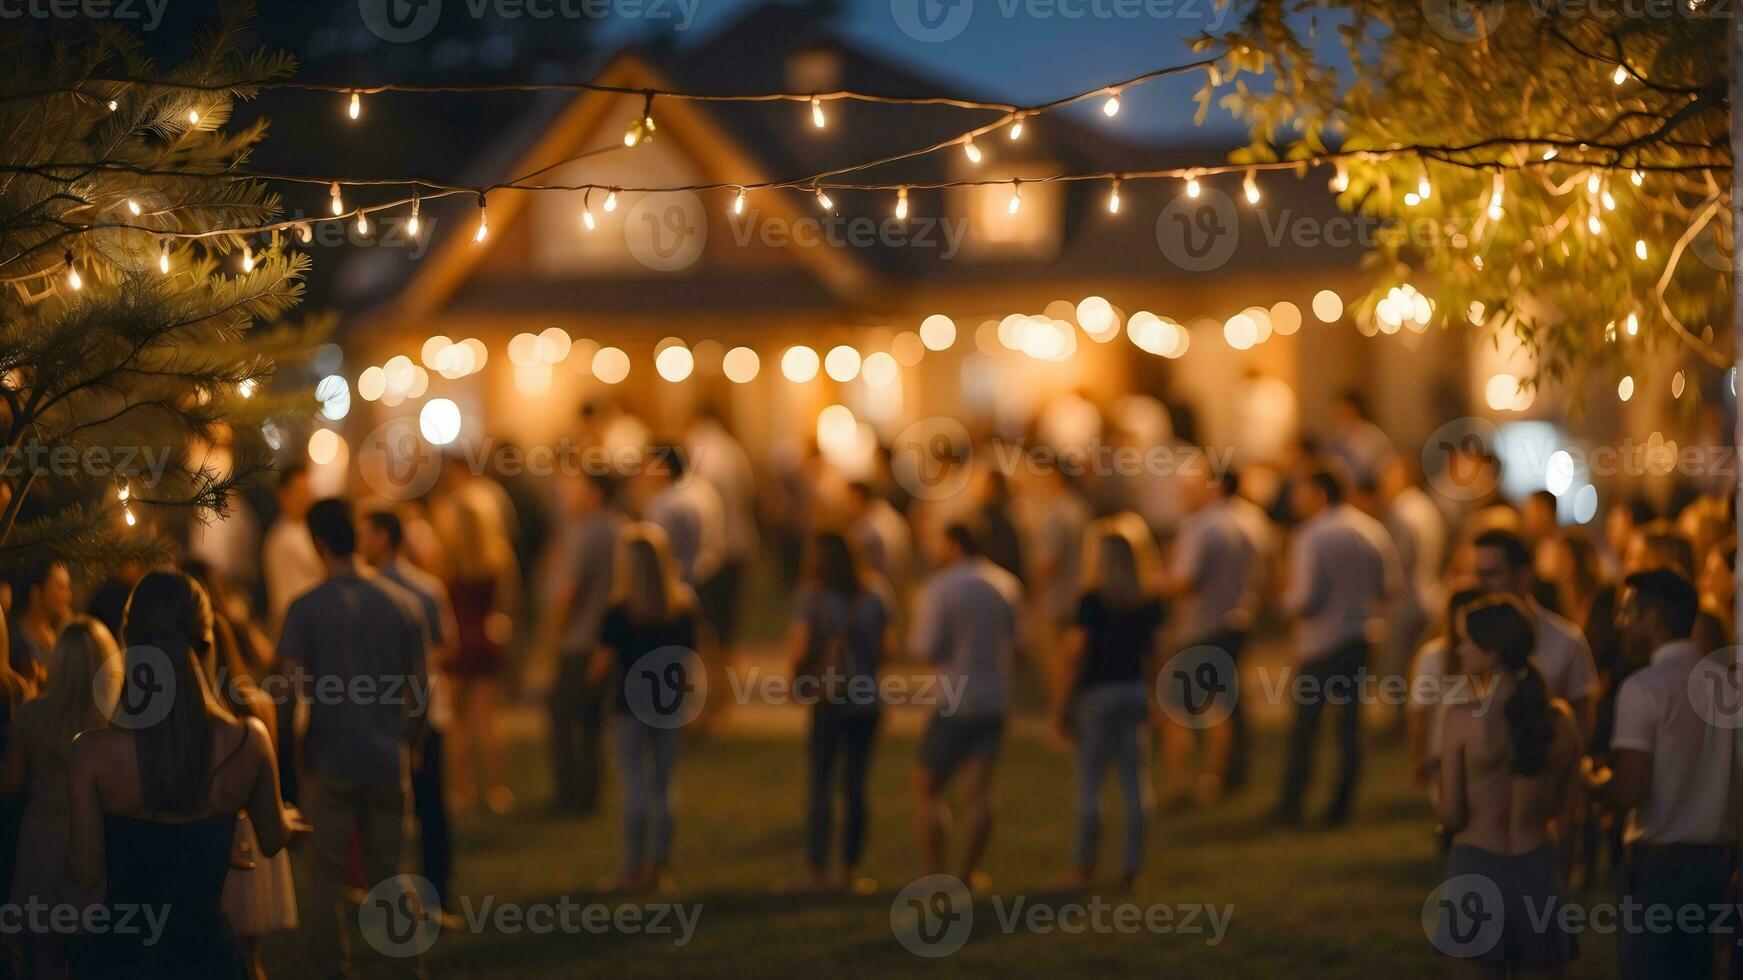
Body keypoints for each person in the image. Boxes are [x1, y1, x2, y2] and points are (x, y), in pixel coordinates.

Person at [66, 571, 305, 979]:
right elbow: (272, 839)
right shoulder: (249, 740)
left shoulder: (91, 752)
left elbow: (85, 873)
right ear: (206, 638)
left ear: (128, 639)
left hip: (123, 951)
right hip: (205, 952)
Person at [278, 500, 428, 978]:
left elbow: (289, 691)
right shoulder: (403, 604)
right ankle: (407, 969)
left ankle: (330, 971)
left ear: (319, 544)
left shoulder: (304, 609)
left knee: (324, 881)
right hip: (387, 758)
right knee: (391, 873)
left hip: (328, 760)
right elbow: (422, 689)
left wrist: (289, 758)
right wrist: (411, 742)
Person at [1583, 569, 1735, 980]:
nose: (1620, 623)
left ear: (1654, 619)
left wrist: (1590, 783)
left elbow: (1631, 788)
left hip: (1659, 872)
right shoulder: (1727, 687)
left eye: (1628, 612)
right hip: (1716, 868)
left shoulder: (1643, 688)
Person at [1434, 595, 1582, 977]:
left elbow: (1452, 814)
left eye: (1466, 640)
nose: (1459, 648)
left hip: (1477, 867)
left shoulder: (1462, 718)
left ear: (1492, 650)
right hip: (1538, 868)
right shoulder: (1561, 721)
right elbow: (1568, 818)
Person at [1277, 463, 1398, 827]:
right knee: (1350, 726)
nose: (1295, 499)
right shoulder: (1371, 529)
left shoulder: (1311, 536)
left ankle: (1292, 805)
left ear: (1320, 493)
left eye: (1301, 491)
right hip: (1361, 637)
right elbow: (1389, 585)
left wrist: (1280, 600)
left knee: (1305, 728)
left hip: (1321, 643)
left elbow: (1304, 598)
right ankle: (1341, 805)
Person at [3, 618, 120, 978]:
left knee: (44, 955)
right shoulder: (117, 720)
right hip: (97, 838)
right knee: (96, 950)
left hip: (41, 837)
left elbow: (9, 783)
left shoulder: (33, 714)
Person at [591, 525, 703, 892]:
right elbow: (690, 660)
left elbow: (601, 667)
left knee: (635, 784)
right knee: (664, 786)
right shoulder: (682, 607)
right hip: (670, 705)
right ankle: (659, 866)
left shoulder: (620, 612)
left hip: (628, 705)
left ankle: (631, 868)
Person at [910, 522, 1022, 887]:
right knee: (979, 792)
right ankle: (968, 871)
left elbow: (927, 648)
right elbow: (1017, 639)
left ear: (955, 545)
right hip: (995, 698)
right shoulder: (1005, 583)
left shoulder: (942, 587)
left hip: (954, 698)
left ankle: (934, 870)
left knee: (927, 788)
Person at [360, 509, 459, 918]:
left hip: (381, 713)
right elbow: (446, 644)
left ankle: (385, 896)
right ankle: (437, 894)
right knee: (433, 809)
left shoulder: (368, 592)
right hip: (426, 709)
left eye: (365, 533)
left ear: (382, 537)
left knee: (383, 809)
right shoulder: (427, 588)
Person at [1054, 522, 1161, 889]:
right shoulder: (1147, 601)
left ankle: (1083, 866)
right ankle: (1133, 868)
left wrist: (1061, 703)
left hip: (1097, 694)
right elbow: (1155, 656)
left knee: (1090, 785)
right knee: (1136, 786)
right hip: (1133, 692)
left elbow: (1075, 653)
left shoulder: (1092, 602)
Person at [785, 531, 892, 892]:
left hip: (829, 702)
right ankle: (851, 870)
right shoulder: (875, 594)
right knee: (857, 788)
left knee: (821, 786)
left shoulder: (811, 598)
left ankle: (816, 869)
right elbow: (888, 648)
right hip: (867, 703)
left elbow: (799, 649)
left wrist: (796, 679)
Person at [1165, 472, 1257, 801]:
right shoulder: (1246, 520)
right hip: (1236, 621)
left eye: (1188, 488)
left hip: (1202, 625)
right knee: (1226, 704)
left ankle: (1190, 782)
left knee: (1180, 708)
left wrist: (1149, 585)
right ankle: (1225, 776)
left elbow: (1186, 581)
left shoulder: (1199, 526)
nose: (1183, 495)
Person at [538, 473, 621, 815]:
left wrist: (551, 641)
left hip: (576, 641)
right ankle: (590, 792)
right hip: (606, 641)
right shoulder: (621, 529)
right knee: (591, 721)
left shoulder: (582, 534)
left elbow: (568, 593)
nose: (569, 495)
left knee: (560, 718)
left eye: (578, 489)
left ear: (595, 494)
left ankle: (569, 795)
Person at [1472, 530, 1599, 738]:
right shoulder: (1466, 642)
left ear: (1523, 575)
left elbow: (1582, 728)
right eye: (1477, 574)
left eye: (1491, 574)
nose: (1480, 585)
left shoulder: (1566, 641)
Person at [438, 487, 519, 814]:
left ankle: (463, 789)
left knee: (457, 722)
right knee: (487, 720)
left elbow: (441, 600)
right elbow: (508, 601)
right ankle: (496, 789)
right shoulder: (499, 554)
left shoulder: (447, 555)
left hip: (457, 640)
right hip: (486, 636)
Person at [1405, 588, 1485, 804]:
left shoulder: (1488, 658)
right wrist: (1419, 756)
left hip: (1467, 754)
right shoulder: (1434, 656)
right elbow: (1420, 712)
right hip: (1443, 755)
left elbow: (1420, 711)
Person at [262, 463, 321, 635]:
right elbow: (283, 600)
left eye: (308, 491)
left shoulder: (306, 530)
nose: (307, 498)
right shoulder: (280, 539)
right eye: (301, 492)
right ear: (283, 495)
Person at [8, 561, 71, 684]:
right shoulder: (16, 643)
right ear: (36, 593)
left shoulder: (60, 635)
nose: (68, 596)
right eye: (61, 587)